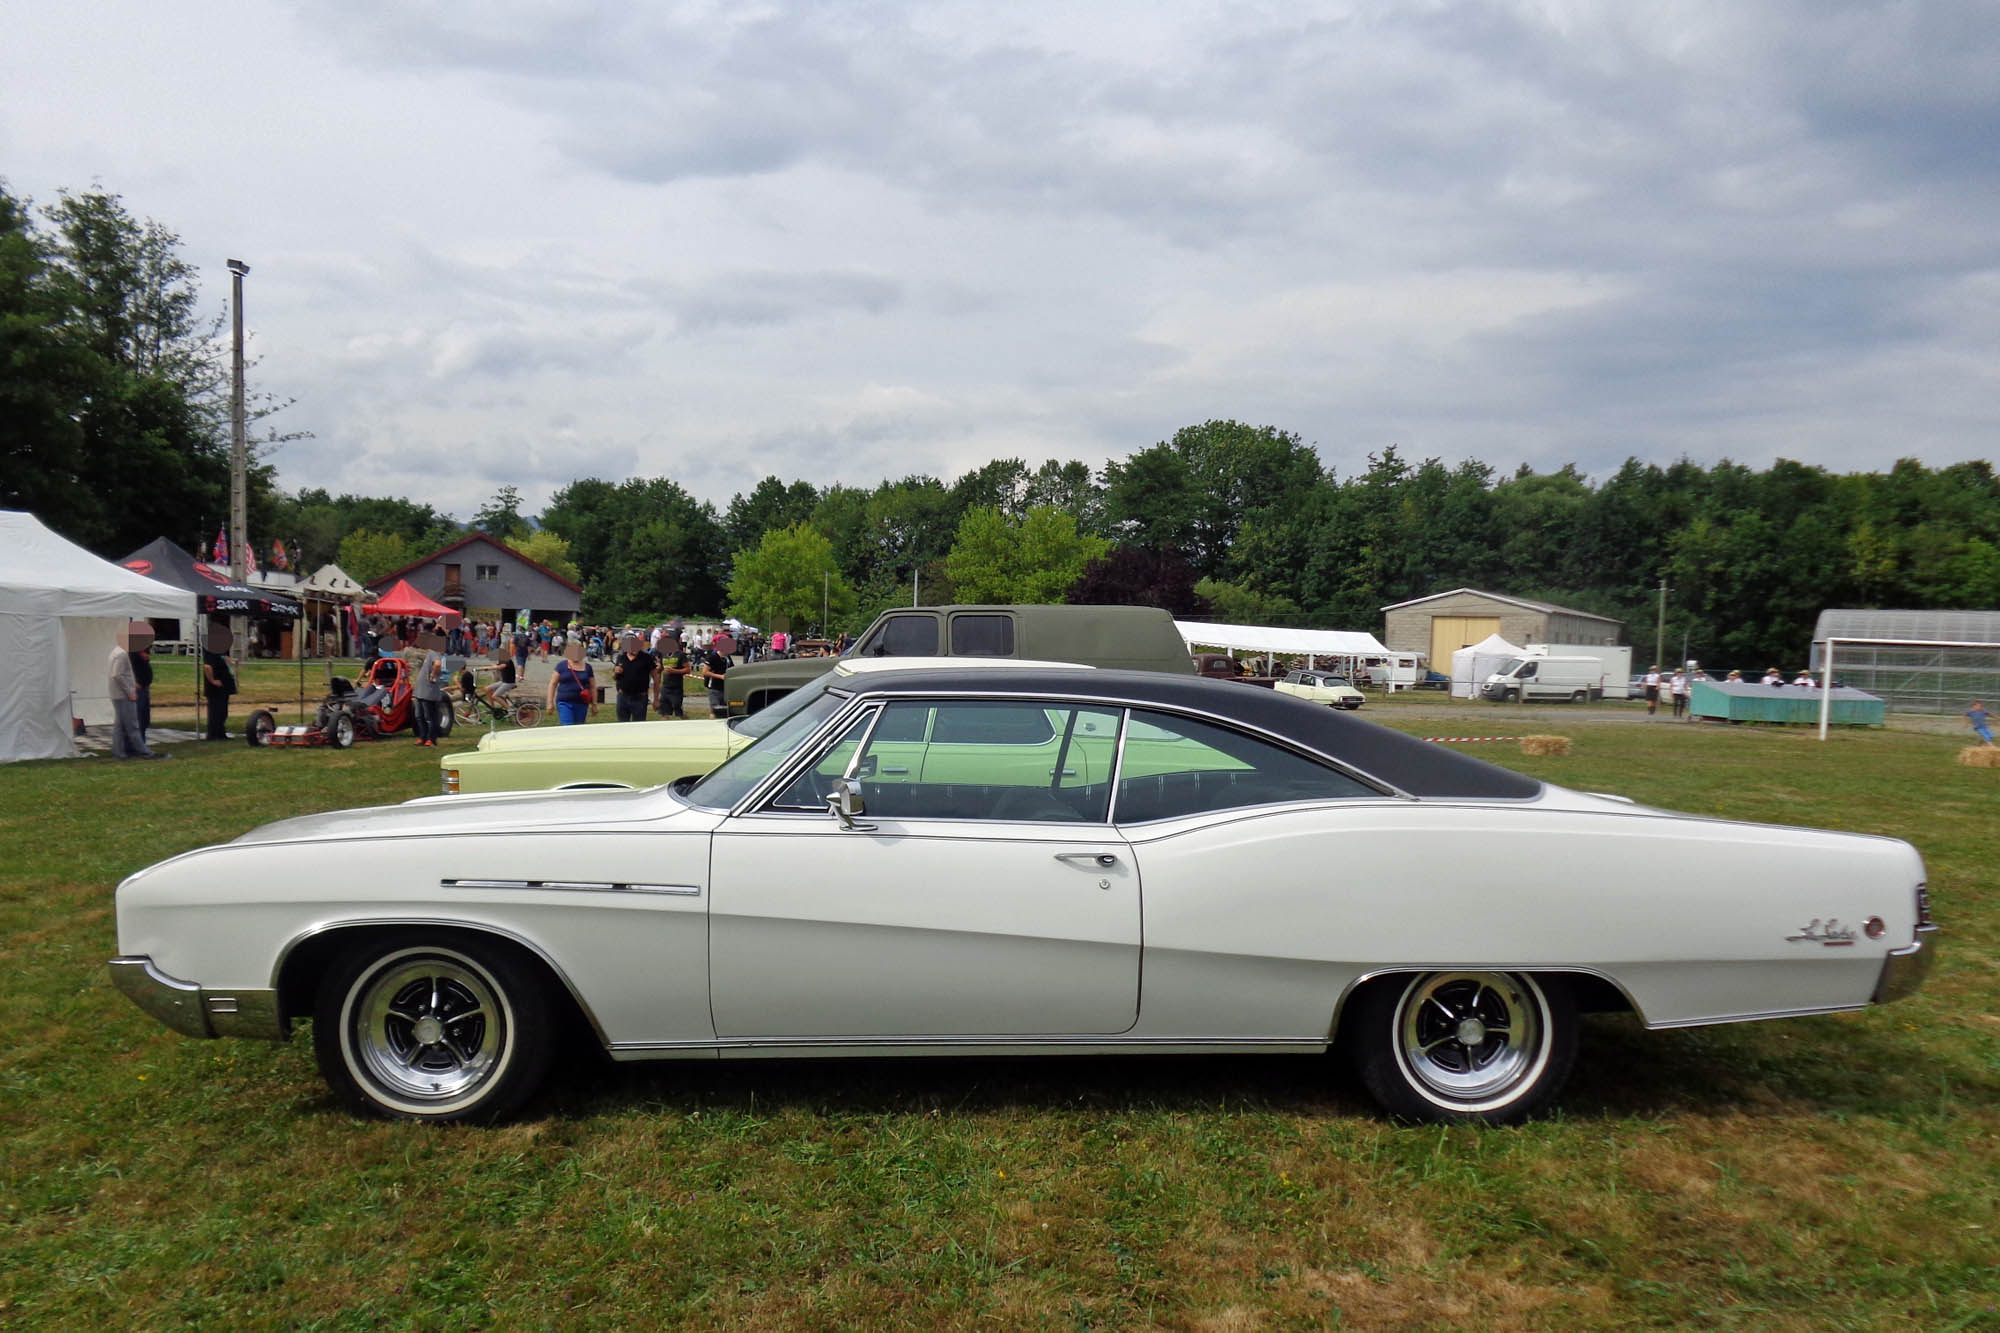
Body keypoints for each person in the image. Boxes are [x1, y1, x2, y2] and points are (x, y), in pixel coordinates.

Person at [108, 628, 163, 759]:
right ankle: (142, 751)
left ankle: (119, 751)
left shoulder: (117, 652)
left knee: (120, 725)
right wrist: (130, 690)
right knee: (132, 724)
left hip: (119, 694)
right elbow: (117, 675)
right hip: (124, 695)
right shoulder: (122, 654)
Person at [546, 639, 597, 726]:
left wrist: (594, 704)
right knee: (567, 726)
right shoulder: (561, 666)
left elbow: (593, 686)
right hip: (564, 702)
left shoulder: (588, 667)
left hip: (582, 703)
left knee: (578, 727)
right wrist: (550, 702)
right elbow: (553, 684)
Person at [201, 626, 236, 740]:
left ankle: (221, 733)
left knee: (222, 711)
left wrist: (230, 661)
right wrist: (212, 680)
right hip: (216, 686)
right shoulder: (210, 649)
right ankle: (213, 734)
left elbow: (223, 658)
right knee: (216, 711)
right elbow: (207, 666)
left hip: (224, 684)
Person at [612, 635, 657, 722]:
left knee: (638, 726)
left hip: (640, 698)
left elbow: (656, 678)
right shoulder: (621, 657)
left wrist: (656, 699)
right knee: (622, 725)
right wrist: (615, 672)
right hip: (623, 697)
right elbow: (614, 677)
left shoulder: (647, 658)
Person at [411, 634, 446, 747]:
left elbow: (437, 664)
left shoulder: (433, 653)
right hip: (420, 691)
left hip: (428, 691)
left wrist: (432, 676)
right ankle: (422, 737)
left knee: (429, 716)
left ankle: (431, 738)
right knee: (419, 716)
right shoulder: (429, 654)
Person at [656, 635, 690, 718]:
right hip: (665, 687)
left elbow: (687, 670)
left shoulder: (680, 655)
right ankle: (664, 728)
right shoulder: (663, 654)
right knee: (664, 712)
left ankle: (686, 721)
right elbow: (660, 669)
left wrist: (674, 671)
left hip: (676, 687)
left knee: (678, 711)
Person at [700, 641, 730, 716]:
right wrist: (720, 676)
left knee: (724, 711)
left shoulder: (727, 658)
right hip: (714, 688)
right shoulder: (712, 657)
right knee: (715, 710)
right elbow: (705, 672)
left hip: (725, 688)